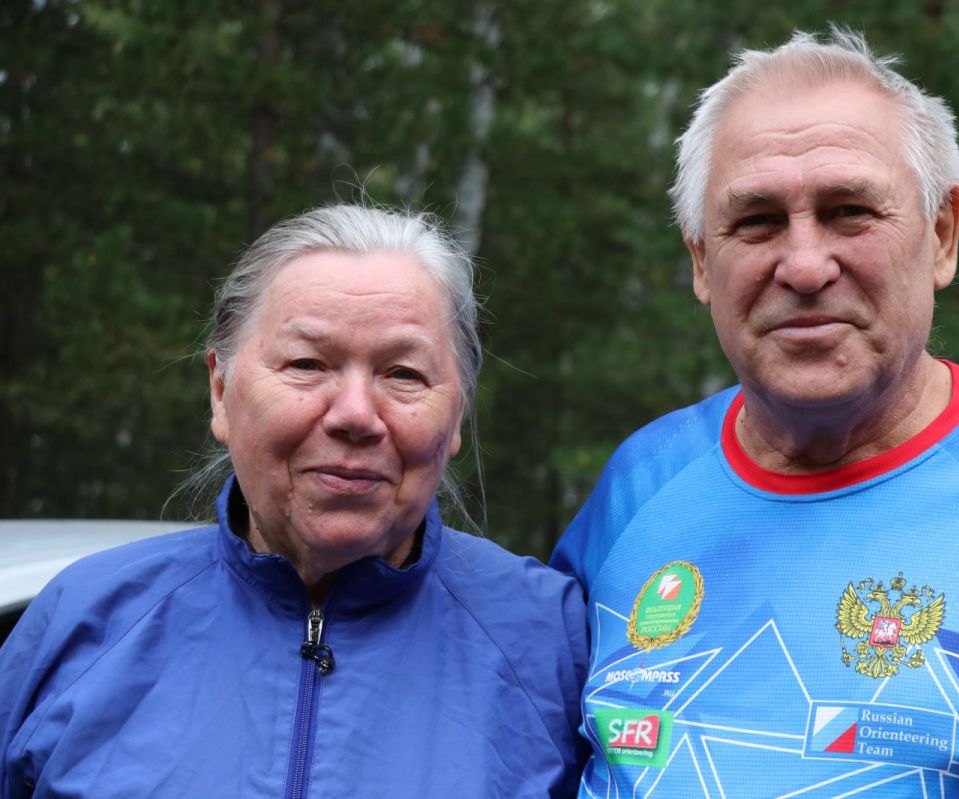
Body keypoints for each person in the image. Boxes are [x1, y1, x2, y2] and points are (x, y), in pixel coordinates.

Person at [551, 27, 959, 796]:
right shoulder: (637, 488)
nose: (804, 265)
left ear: (942, 234)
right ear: (700, 259)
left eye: (850, 210)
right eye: (756, 220)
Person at [0, 205, 587, 797]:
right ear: (221, 390)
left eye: (404, 374)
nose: (355, 415)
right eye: (307, 364)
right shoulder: (82, 622)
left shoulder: (551, 644)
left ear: (457, 413)